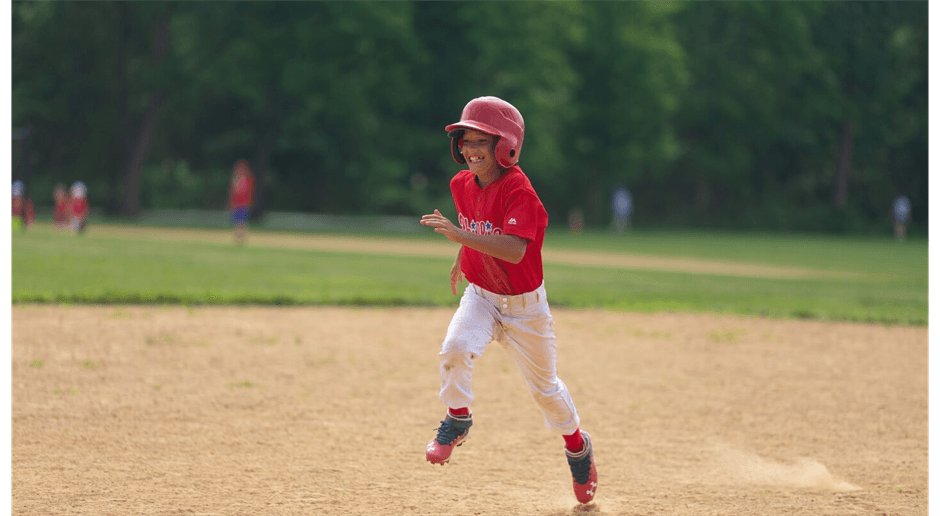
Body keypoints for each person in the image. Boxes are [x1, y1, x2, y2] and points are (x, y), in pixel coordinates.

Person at [419, 96, 598, 504]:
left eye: (479, 140)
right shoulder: (460, 184)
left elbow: (514, 249)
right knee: (455, 348)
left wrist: (457, 237)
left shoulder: (520, 190)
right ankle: (458, 417)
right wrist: (460, 256)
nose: (468, 148)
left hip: (525, 309)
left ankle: (577, 447)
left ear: (506, 145)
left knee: (545, 390)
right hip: (481, 295)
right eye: (464, 139)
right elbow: (475, 226)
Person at [228, 159, 255, 245]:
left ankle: (241, 238)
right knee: (238, 223)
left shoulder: (247, 181)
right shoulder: (236, 181)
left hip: (243, 205)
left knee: (242, 223)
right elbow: (233, 194)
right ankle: (239, 237)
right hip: (237, 205)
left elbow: (248, 194)